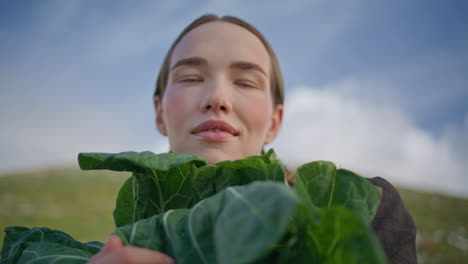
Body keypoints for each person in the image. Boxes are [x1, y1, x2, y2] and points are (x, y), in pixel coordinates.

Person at [89, 14, 417, 264]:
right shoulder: (110, 251)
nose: (217, 97)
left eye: (245, 82)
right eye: (190, 77)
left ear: (274, 122)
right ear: (160, 113)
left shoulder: (365, 207)